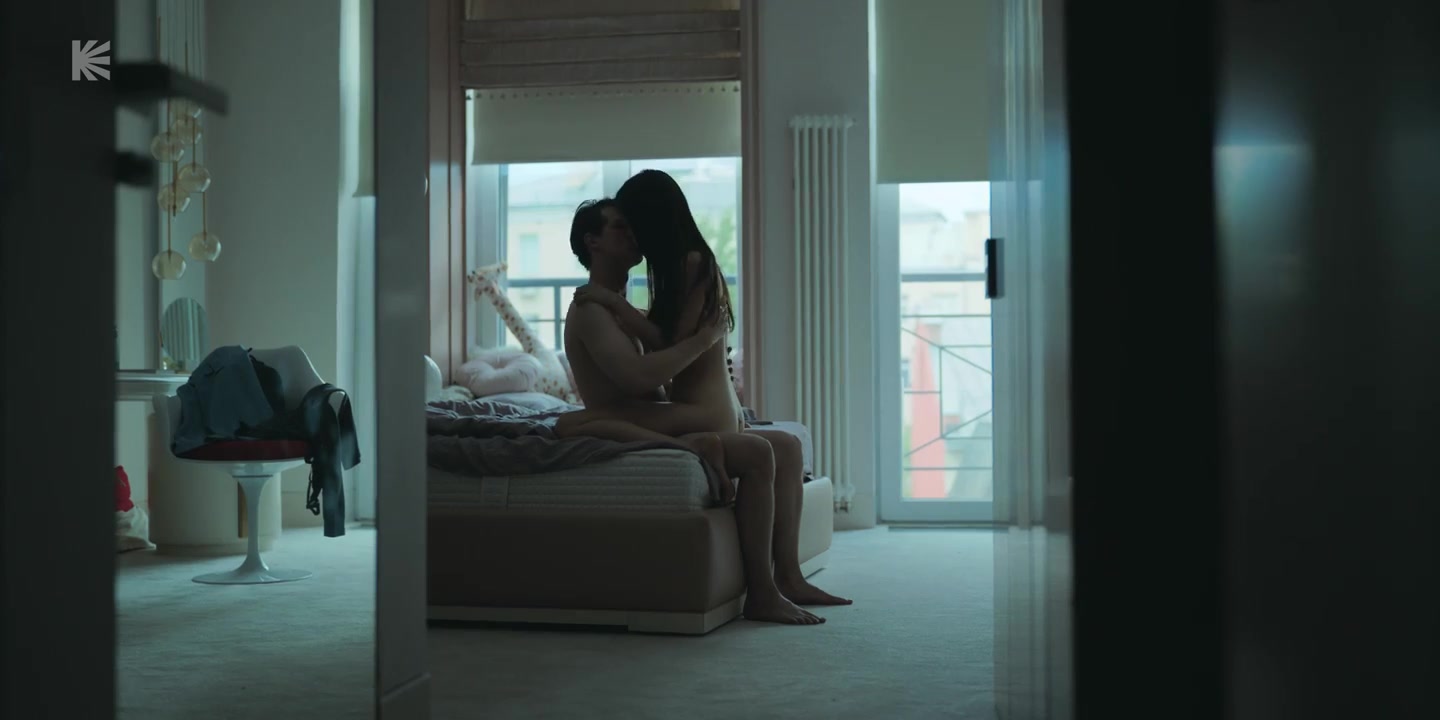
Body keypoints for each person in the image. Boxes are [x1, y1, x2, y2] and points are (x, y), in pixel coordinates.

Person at [557, 183, 851, 624]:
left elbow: (658, 362)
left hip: (653, 414)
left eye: (633, 225)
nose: (633, 234)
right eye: (620, 227)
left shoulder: (618, 307)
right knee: (759, 452)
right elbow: (639, 376)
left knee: (788, 446)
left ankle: (788, 577)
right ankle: (762, 592)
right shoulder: (590, 309)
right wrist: (705, 339)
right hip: (629, 418)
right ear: (592, 242)